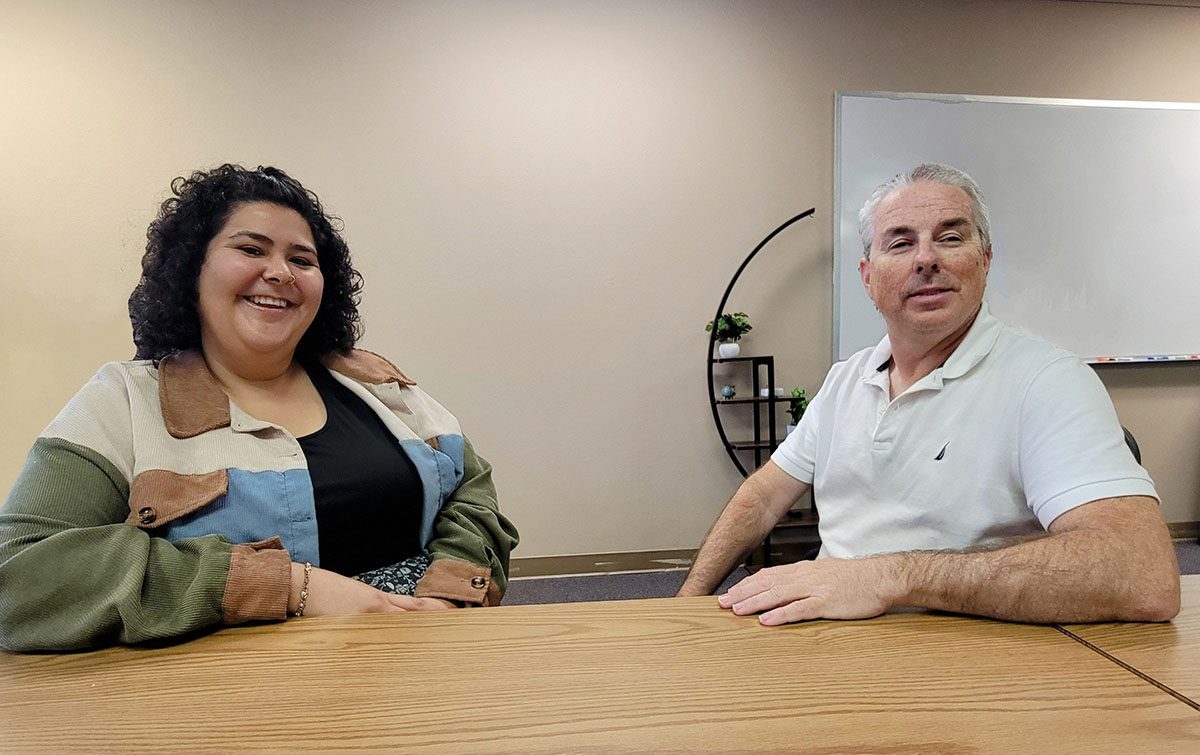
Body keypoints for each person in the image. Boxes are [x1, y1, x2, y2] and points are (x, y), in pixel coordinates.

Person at [0, 164, 519, 651]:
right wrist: (290, 586)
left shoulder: (378, 385)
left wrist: (450, 593)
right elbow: (20, 576)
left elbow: (471, 495)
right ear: (192, 272)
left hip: (421, 655)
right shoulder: (122, 400)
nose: (280, 273)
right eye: (251, 249)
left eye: (301, 259)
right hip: (228, 693)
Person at [679, 163, 1180, 625]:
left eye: (951, 237)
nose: (926, 259)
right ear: (868, 277)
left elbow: (1140, 575)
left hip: (961, 653)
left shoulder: (1046, 380)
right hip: (825, 633)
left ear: (984, 260)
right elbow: (764, 496)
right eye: (899, 243)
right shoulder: (846, 379)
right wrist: (685, 603)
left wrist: (887, 577)